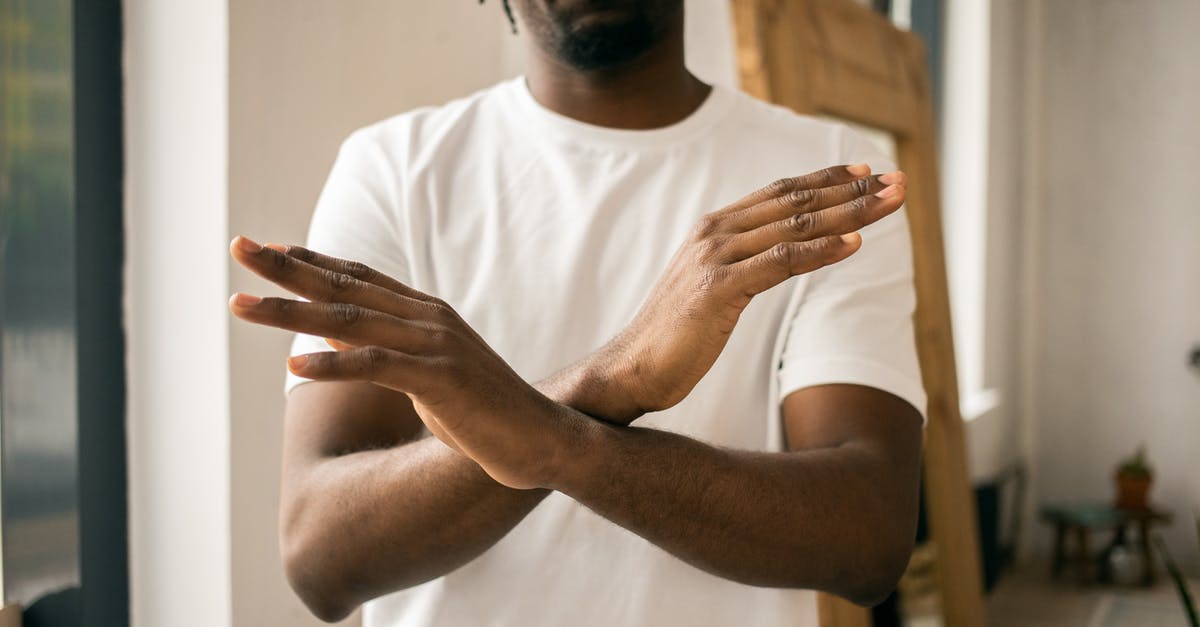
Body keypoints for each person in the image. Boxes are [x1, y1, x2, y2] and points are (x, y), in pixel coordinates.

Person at [228, 1, 925, 625]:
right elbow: (321, 557)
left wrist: (550, 437)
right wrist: (609, 381)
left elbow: (868, 538)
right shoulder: (391, 169)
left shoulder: (831, 178)